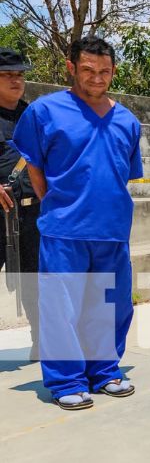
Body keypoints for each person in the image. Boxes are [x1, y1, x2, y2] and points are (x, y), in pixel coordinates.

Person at [12, 37, 143, 410]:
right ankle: (66, 380)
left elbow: (124, 174)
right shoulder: (44, 111)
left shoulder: (128, 121)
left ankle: (104, 371)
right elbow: (34, 167)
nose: (97, 78)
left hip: (114, 230)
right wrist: (56, 205)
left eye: (104, 71)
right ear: (71, 68)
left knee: (111, 306)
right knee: (61, 309)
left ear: (113, 71)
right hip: (64, 229)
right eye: (87, 70)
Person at [0, 48, 40, 360]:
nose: (17, 80)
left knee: (35, 279)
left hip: (31, 210)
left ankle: (41, 340)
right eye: (8, 74)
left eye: (20, 74)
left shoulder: (32, 116)